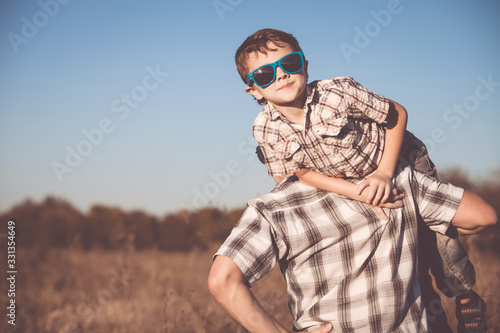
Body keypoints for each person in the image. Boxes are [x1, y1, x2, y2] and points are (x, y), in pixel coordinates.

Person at [233, 28, 489, 332]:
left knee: (433, 228)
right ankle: (426, 308)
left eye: (289, 64)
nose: (281, 75)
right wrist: (356, 192)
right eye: (264, 74)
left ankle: (463, 293)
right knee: (406, 249)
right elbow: (299, 172)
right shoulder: (266, 130)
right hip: (355, 179)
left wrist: (383, 172)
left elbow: (395, 114)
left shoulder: (337, 91)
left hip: (398, 156)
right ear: (254, 90)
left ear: (304, 64)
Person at [208, 163, 497, 332]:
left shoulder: (273, 207)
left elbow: (223, 281)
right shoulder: (395, 181)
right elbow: (483, 217)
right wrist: (417, 219)